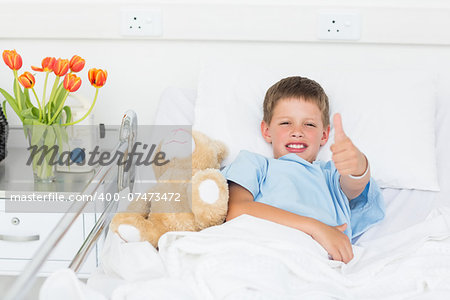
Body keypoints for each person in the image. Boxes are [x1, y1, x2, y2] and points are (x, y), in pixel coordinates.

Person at [221, 76, 385, 264]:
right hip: (260, 250)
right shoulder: (255, 164)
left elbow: (354, 185)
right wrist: (315, 228)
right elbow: (236, 210)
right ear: (266, 131)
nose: (297, 131)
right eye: (285, 123)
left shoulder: (330, 173)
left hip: (318, 261)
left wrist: (357, 165)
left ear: (324, 135)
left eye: (309, 124)